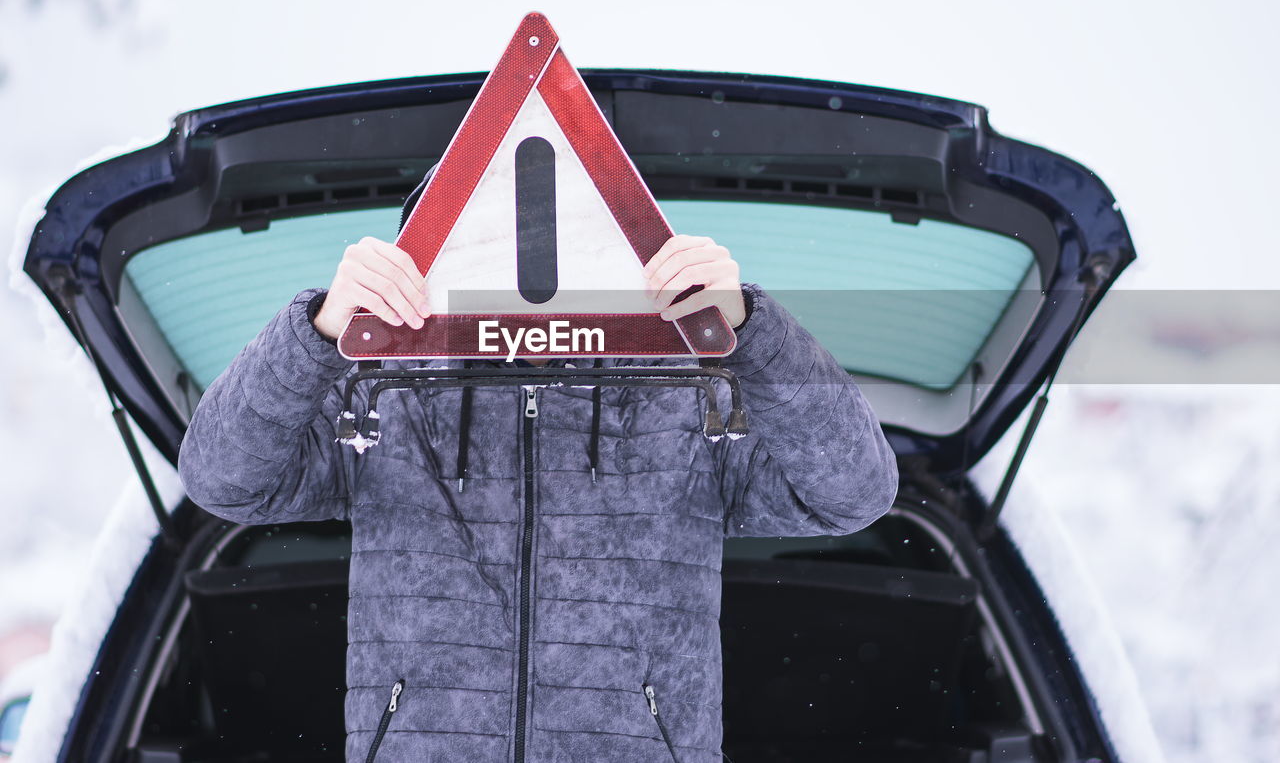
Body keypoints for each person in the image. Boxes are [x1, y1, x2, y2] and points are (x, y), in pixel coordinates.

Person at [177, 174, 899, 763]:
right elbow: (221, 476)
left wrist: (748, 329)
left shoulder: (686, 393)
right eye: (483, 240)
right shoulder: (382, 392)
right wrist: (317, 330)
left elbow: (854, 490)